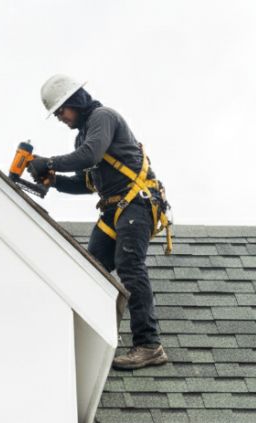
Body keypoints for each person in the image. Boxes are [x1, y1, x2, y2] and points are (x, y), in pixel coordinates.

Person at [28, 74, 170, 370]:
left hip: (136, 204)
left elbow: (88, 156)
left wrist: (49, 162)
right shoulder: (83, 135)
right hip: (115, 209)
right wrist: (54, 181)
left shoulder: (103, 118)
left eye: (61, 111)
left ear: (75, 102)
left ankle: (149, 345)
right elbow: (87, 182)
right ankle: (87, 339)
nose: (60, 118)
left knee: (130, 267)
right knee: (92, 270)